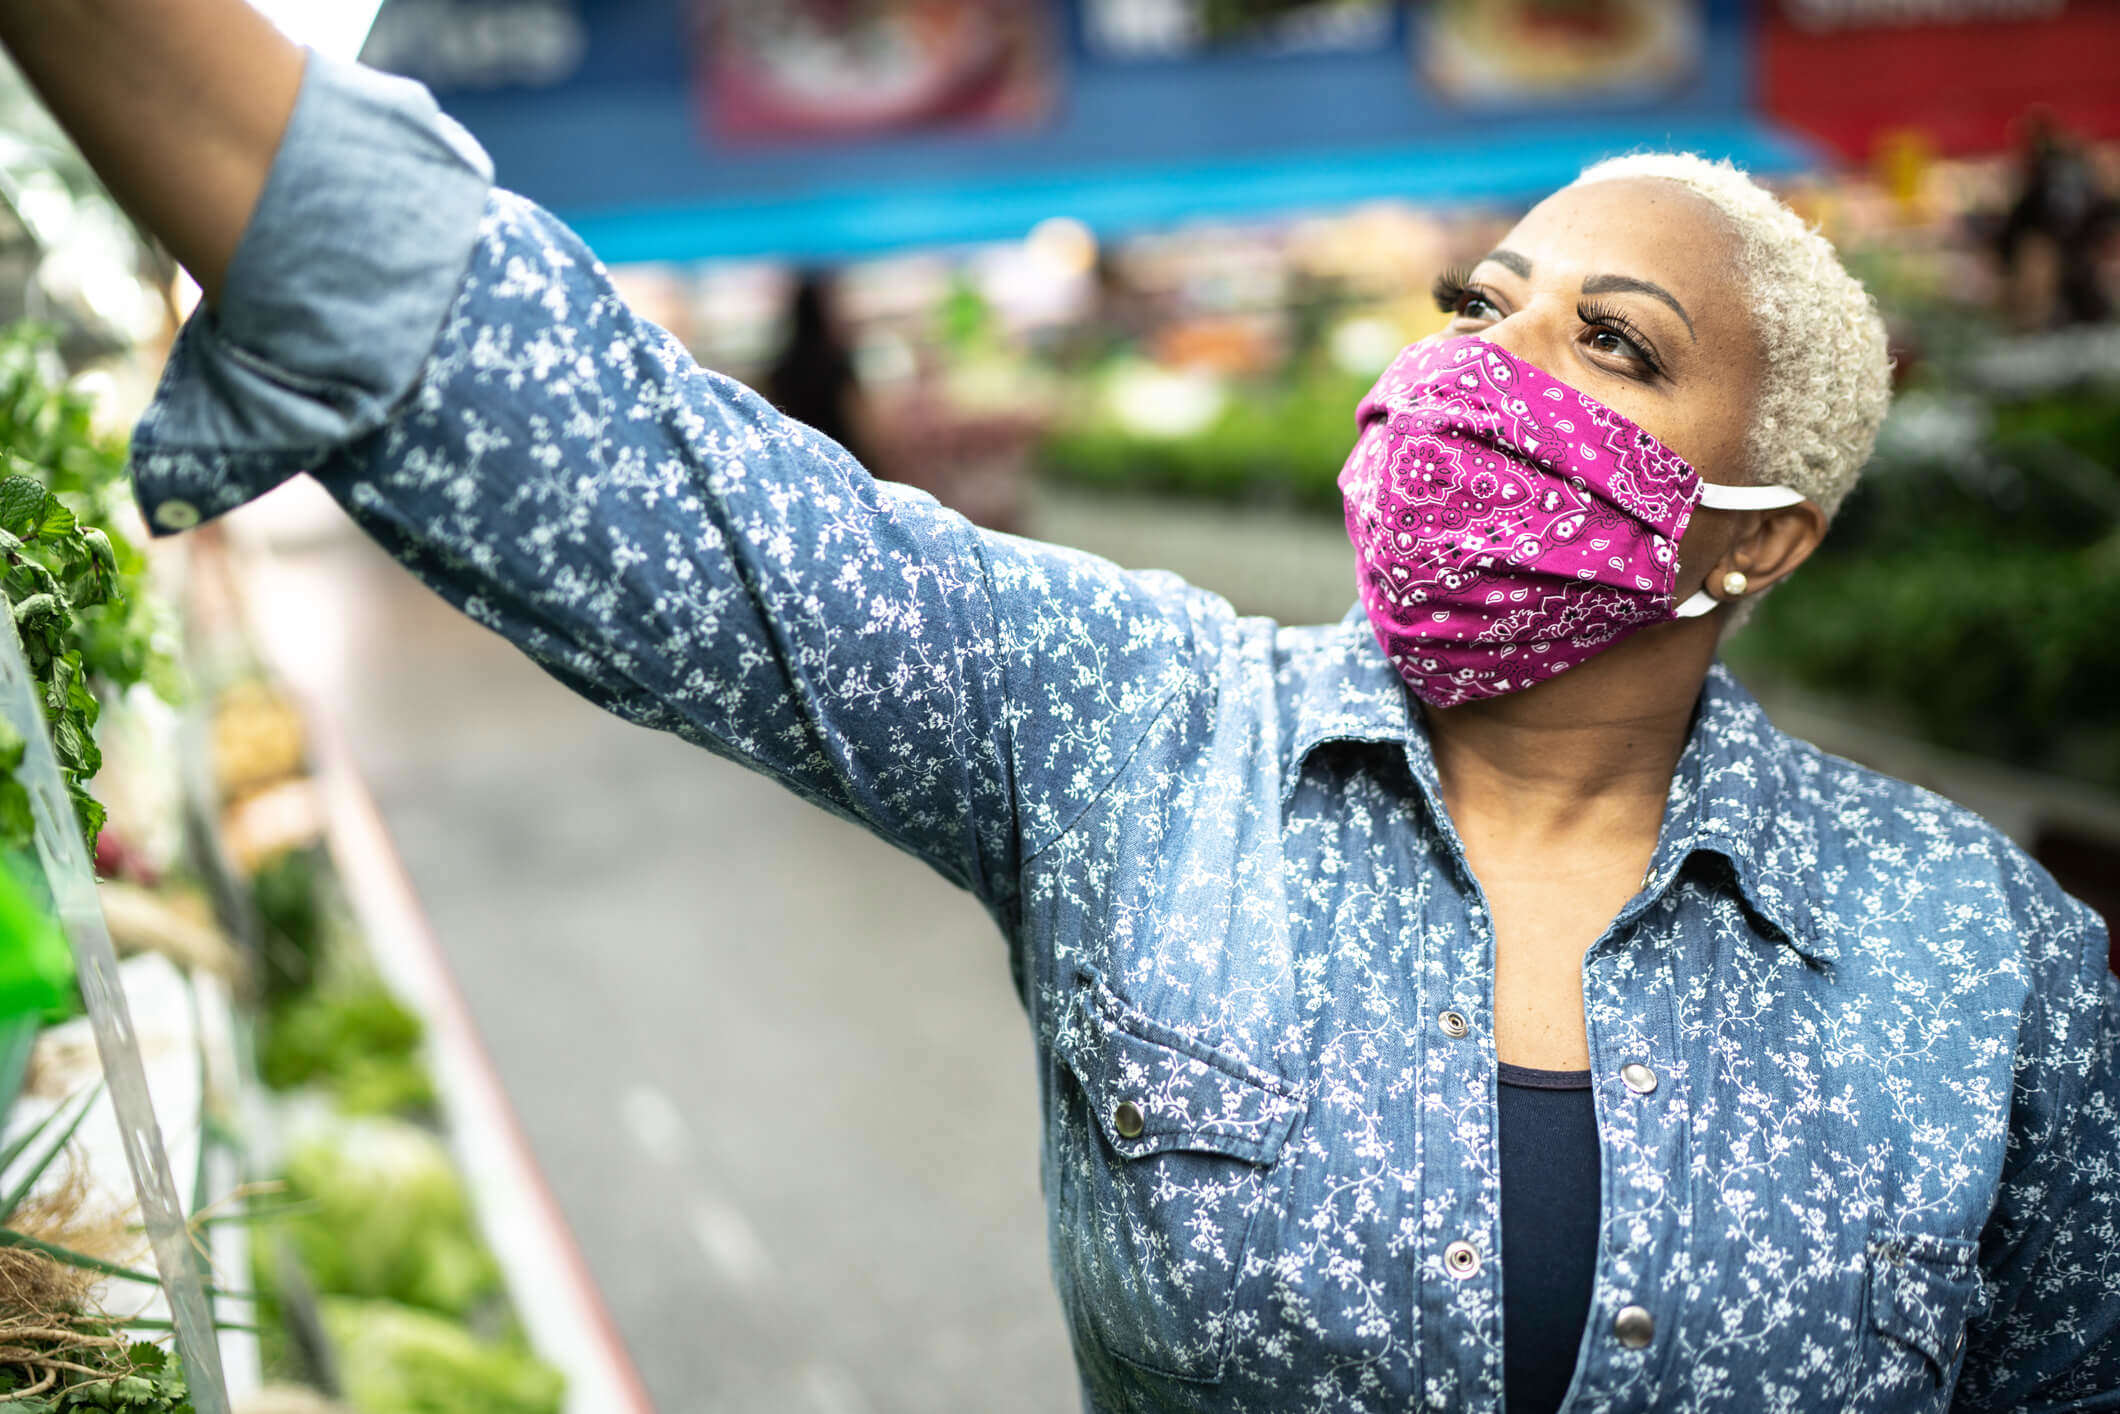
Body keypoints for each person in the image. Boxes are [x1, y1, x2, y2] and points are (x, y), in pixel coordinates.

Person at [5, 6, 2115, 1411]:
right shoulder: (1135, 728)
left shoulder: (1988, 962)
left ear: (1763, 538)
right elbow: (594, 447)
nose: (1487, 363)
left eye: (1614, 347)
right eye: (1480, 304)